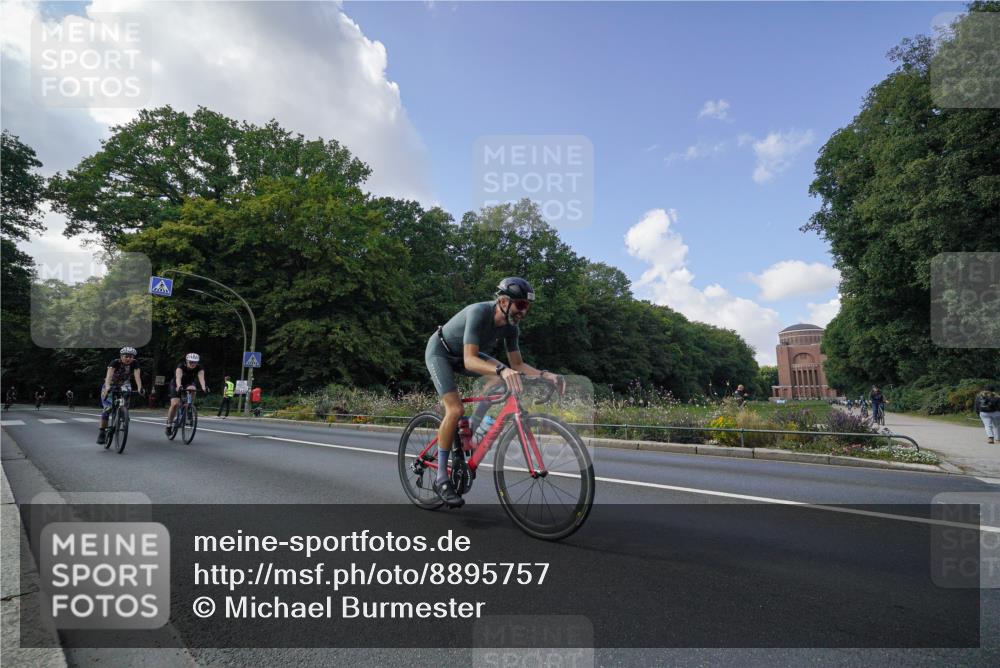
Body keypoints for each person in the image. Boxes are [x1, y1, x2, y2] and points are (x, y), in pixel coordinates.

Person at [424, 277, 563, 508]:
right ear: (503, 300)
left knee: (504, 378)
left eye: (527, 306)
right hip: (441, 352)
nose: (524, 312)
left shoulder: (511, 327)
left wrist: (545, 375)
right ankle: (441, 477)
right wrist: (502, 370)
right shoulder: (479, 312)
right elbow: (470, 360)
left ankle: (469, 432)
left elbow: (517, 365)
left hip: (464, 356)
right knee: (456, 409)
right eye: (520, 305)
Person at [97, 347, 144, 445]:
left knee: (127, 393)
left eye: (131, 357)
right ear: (121, 356)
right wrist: (108, 387)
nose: (128, 359)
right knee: (107, 409)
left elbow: (137, 376)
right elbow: (109, 376)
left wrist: (140, 388)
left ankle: (124, 412)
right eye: (126, 356)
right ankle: (101, 432)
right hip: (111, 383)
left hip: (124, 384)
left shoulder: (135, 363)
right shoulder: (115, 362)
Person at [166, 353, 208, 435]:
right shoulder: (181, 366)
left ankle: (189, 406)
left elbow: (202, 379)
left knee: (193, 389)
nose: (193, 364)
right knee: (175, 404)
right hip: (176, 384)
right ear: (186, 361)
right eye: (191, 362)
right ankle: (169, 424)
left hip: (188, 383)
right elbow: (178, 378)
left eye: (195, 362)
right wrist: (179, 386)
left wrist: (204, 387)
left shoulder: (199, 368)